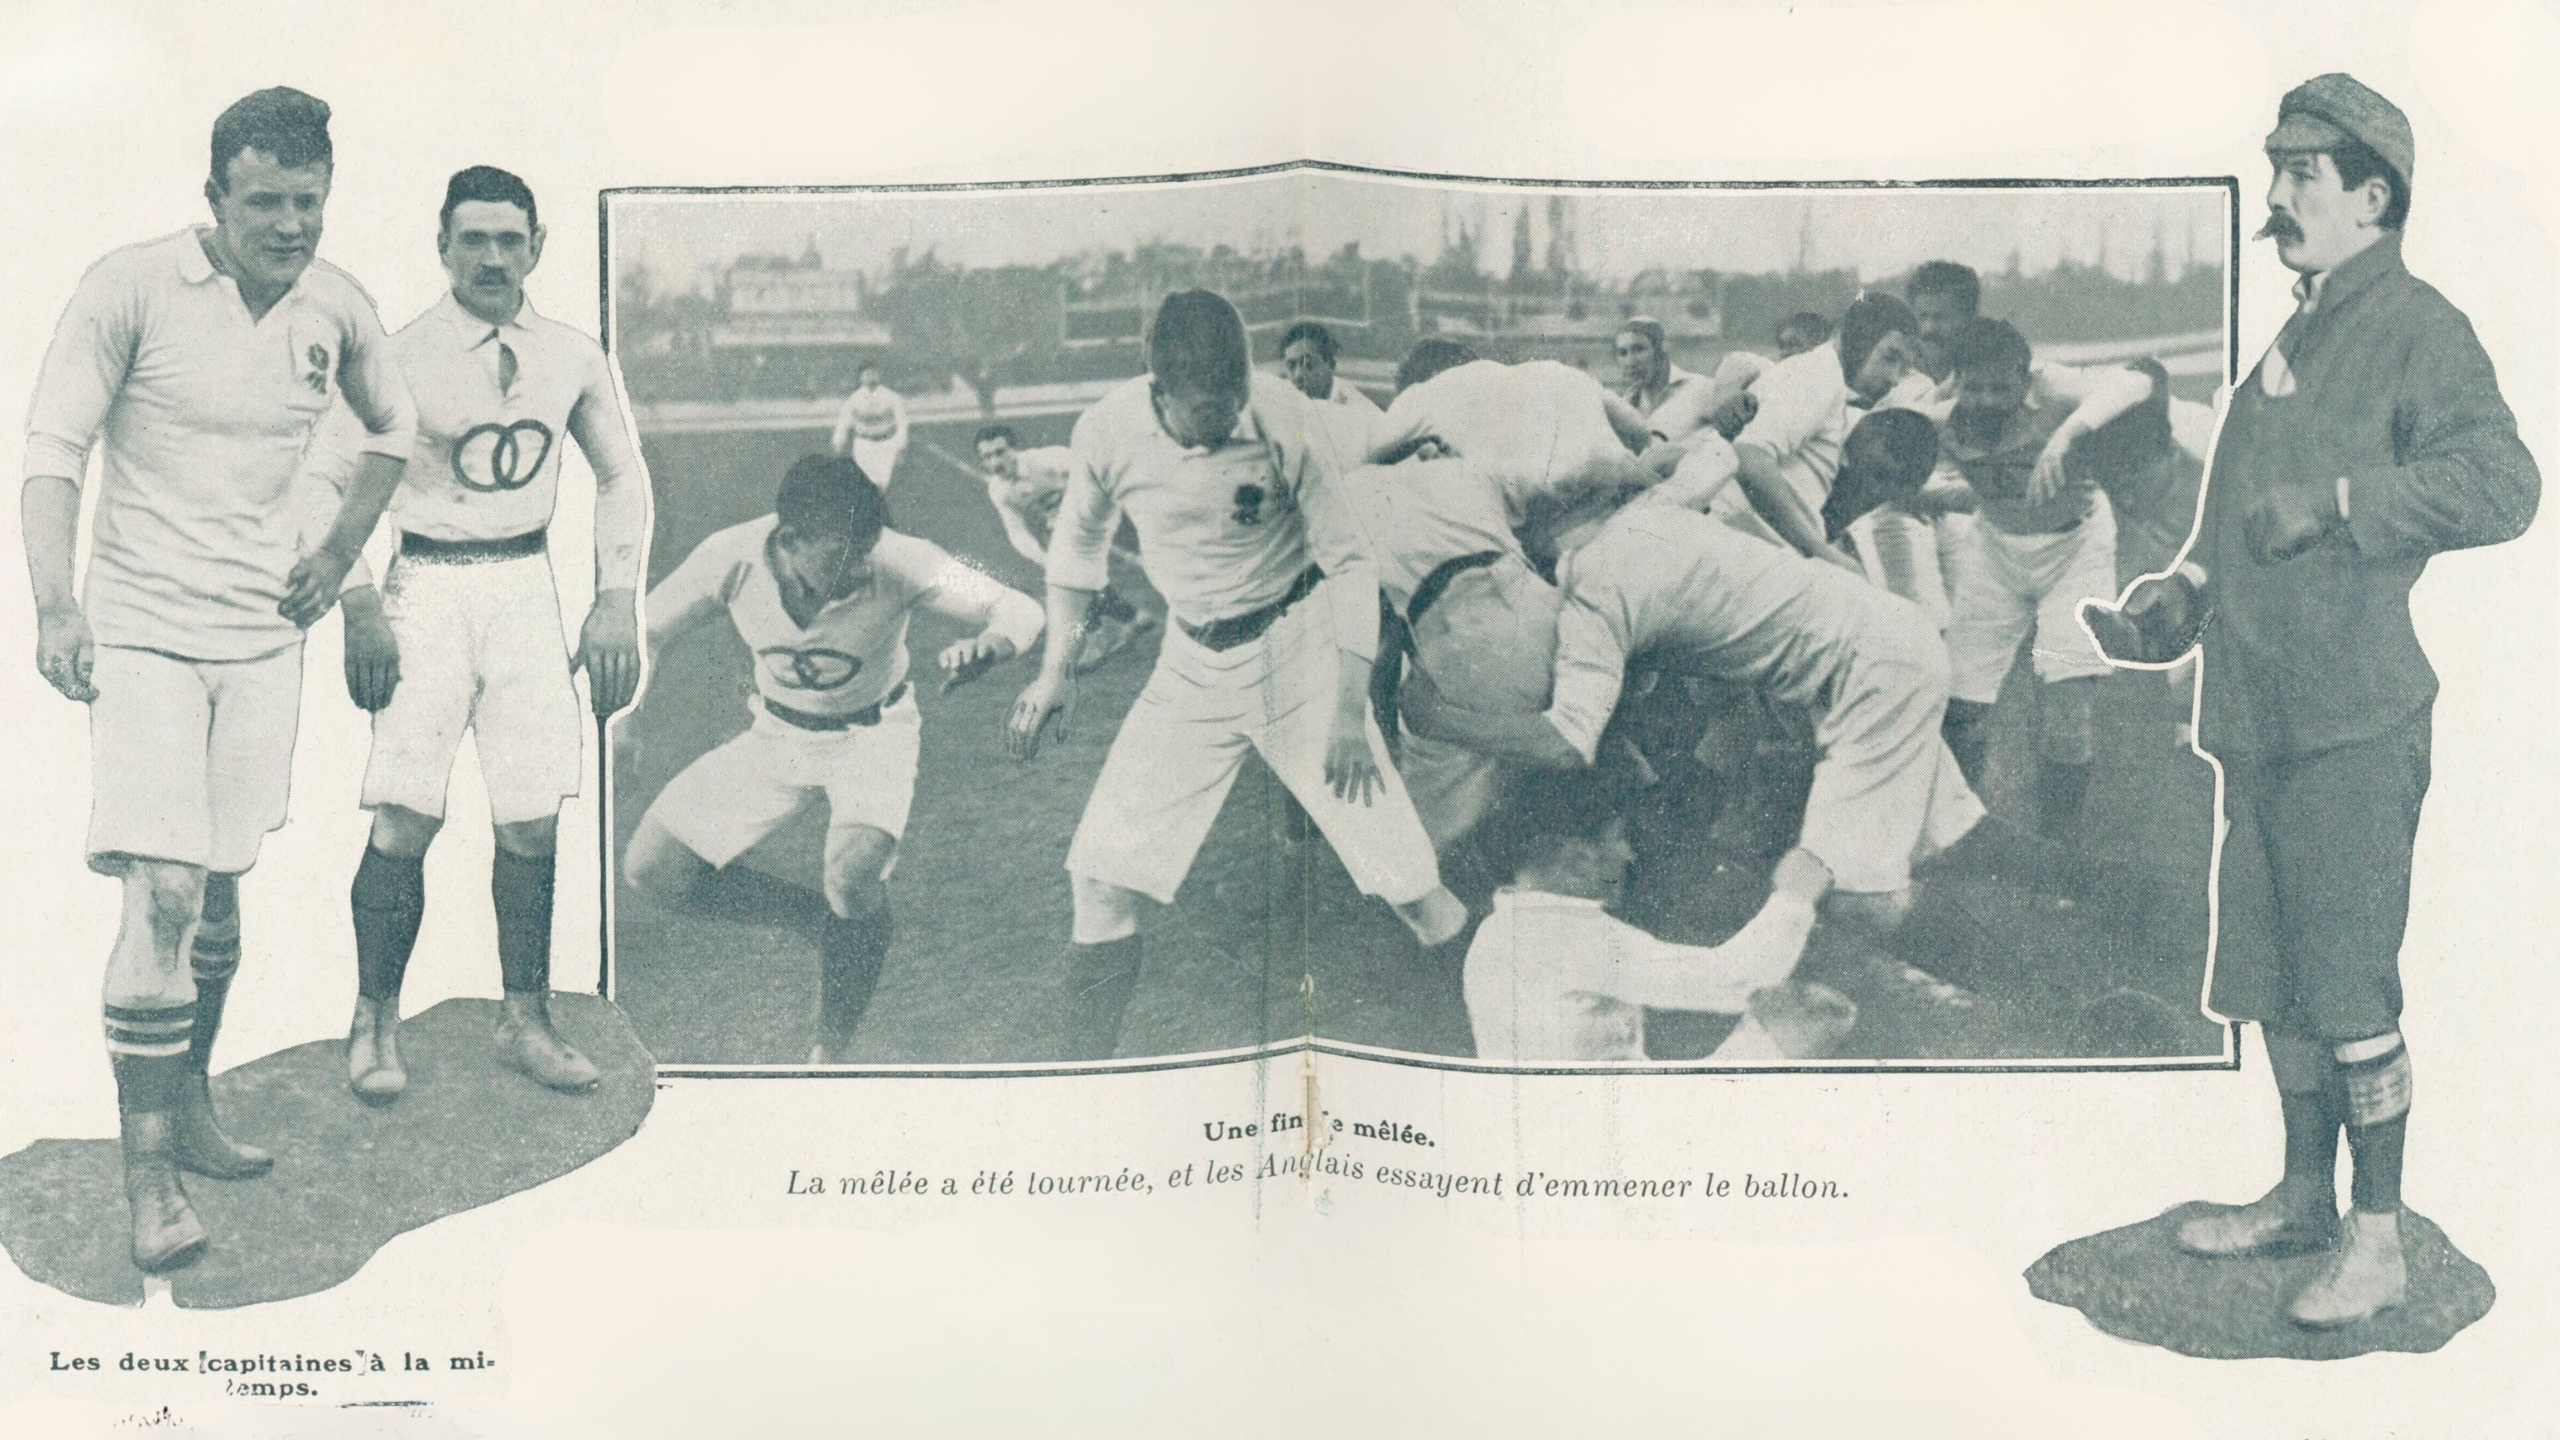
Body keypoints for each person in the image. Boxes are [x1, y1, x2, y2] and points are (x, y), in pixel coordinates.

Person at [2086, 74, 2539, 1328]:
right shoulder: (2297, 336)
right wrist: (2178, 597)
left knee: (2345, 988)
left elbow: (2505, 484)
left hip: (2351, 723)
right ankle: (2300, 1199)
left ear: (2372, 196)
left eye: (2300, 174)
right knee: (2272, 980)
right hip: (2259, 717)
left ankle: (2376, 1240)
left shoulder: (2419, 329)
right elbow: (2236, 525)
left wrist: (2343, 504)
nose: (2274, 198)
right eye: (2273, 169)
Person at [21, 87, 415, 1271]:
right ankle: (147, 1184)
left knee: (220, 881)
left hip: (260, 639)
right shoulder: (130, 287)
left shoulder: (336, 305)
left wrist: (337, 557)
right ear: (214, 198)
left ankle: (188, 1102)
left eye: (309, 202)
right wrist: (55, 601)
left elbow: (393, 431)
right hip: (143, 632)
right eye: (265, 203)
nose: (290, 225)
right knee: (165, 891)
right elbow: (52, 450)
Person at [1006, 290, 1466, 1061]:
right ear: (1160, 390)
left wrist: (1348, 712)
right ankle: (1079, 1092)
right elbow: (1078, 549)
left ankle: (1482, 1062)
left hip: (1300, 658)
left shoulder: (1283, 416)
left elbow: (1351, 562)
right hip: (1190, 672)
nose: (1226, 419)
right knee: (1100, 885)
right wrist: (1058, 671)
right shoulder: (1109, 431)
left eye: (1234, 398)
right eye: (1205, 409)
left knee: (1413, 891)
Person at [298, 165, 649, 1101]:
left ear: (537, 247)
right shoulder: (398, 356)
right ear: (443, 246)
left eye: (509, 240)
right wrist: (357, 601)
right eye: (474, 240)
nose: (493, 258)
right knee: (407, 814)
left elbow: (622, 474)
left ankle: (524, 1018)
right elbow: (319, 479)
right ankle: (374, 1021)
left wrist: (616, 597)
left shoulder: (572, 355)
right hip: (427, 589)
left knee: (531, 816)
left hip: (525, 587)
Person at [627, 455, 1043, 1062]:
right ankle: (818, 924)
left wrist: (993, 643)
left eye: (864, 553)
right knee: (652, 870)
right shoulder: (730, 556)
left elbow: (1020, 607)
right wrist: (627, 716)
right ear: (790, 541)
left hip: (872, 735)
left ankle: (831, 1054)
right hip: (775, 733)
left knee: (852, 875)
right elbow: (646, 631)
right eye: (840, 557)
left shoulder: (901, 560)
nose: (858, 570)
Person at [1462, 765, 1853, 1063]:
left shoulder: (1500, 932)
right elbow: (1734, 981)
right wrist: (1795, 897)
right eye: (1619, 839)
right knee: (1796, 1028)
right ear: (1576, 862)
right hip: (1600, 1134)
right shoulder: (1565, 936)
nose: (1629, 855)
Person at [1933, 317, 2154, 837]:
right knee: (1961, 706)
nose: (1986, 400)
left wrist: (2065, 436)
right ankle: (1958, 834)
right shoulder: (1939, 418)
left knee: (2068, 703)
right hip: (1995, 554)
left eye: (2001, 388)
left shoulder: (2055, 387)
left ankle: (2058, 844)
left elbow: (2139, 380)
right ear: (1956, 382)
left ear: (2025, 379)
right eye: (1974, 387)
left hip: (2076, 552)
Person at [1724, 292, 1925, 563]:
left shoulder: (1823, 377)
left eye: (1904, 368)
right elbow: (1749, 457)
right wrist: (1823, 553)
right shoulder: (1819, 375)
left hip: (1754, 545)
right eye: (1890, 357)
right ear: (1858, 337)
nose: (1894, 378)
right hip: (1744, 546)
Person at [972, 423, 1154, 670]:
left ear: (1015, 449)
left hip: (1102, 510)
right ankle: (1128, 619)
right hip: (1069, 528)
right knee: (1069, 576)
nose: (995, 462)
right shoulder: (1000, 490)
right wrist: (1044, 560)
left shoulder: (1048, 460)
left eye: (1000, 452)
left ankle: (1104, 633)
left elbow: (1096, 471)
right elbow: (1017, 532)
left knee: (1071, 577)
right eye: (987, 457)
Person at [830, 362, 908, 490]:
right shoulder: (854, 399)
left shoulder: (892, 397)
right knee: (866, 482)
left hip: (886, 443)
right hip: (864, 443)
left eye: (874, 373)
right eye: (867, 374)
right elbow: (843, 421)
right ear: (860, 377)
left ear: (880, 375)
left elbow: (902, 423)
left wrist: (901, 446)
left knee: (883, 483)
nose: (870, 377)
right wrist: (838, 441)